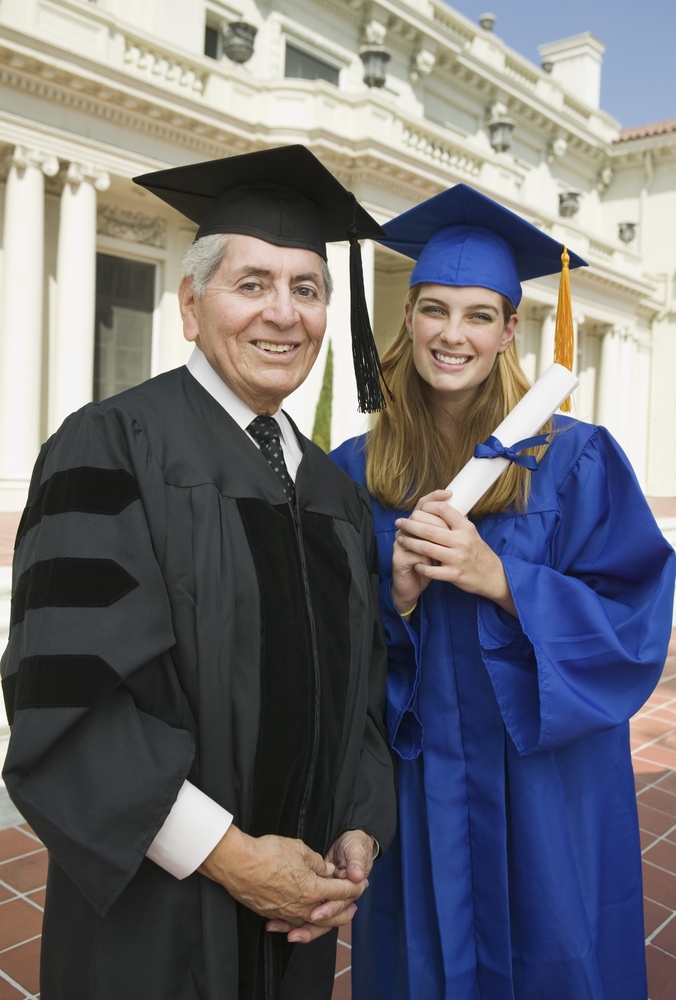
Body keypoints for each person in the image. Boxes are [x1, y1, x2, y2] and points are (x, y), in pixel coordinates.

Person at [1, 145, 396, 1000]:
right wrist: (234, 859)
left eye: (307, 288)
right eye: (251, 284)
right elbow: (68, 700)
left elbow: (363, 687)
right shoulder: (110, 447)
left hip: (300, 918)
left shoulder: (333, 491)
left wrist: (360, 823)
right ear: (190, 307)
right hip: (156, 917)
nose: (284, 314)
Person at [331, 183, 676, 1000]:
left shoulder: (576, 458)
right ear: (408, 315)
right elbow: (326, 645)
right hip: (419, 789)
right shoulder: (355, 468)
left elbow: (637, 620)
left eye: (479, 314)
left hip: (545, 786)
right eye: (435, 310)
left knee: (555, 955)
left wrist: (503, 580)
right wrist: (399, 597)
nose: (454, 334)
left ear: (511, 328)